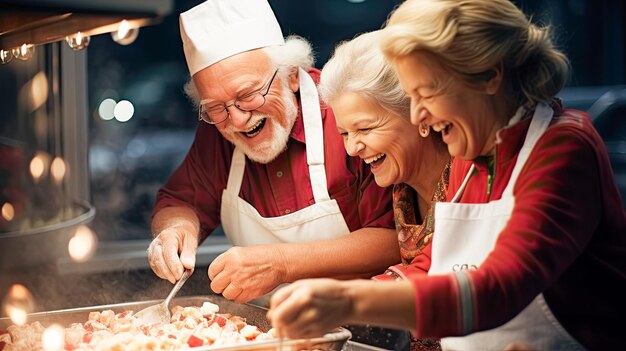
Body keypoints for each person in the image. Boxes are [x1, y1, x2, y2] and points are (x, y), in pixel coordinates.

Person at [267, 0, 626, 350]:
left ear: (489, 77)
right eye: (411, 97)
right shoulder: (472, 155)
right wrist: (330, 302)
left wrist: (350, 300)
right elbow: (436, 266)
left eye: (426, 94)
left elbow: (499, 288)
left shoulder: (563, 147)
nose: (419, 117)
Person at [147, 0, 398, 304]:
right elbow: (181, 200)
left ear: (292, 74)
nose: (238, 120)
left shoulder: (343, 113)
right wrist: (175, 230)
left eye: (248, 95)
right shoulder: (219, 128)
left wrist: (281, 263)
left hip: (370, 320)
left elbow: (394, 238)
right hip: (271, 328)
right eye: (216, 108)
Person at [318, 30, 450, 351]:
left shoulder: (470, 175)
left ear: (420, 113)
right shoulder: (398, 185)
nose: (352, 148)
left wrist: (339, 302)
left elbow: (442, 273)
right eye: (344, 133)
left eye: (364, 128)